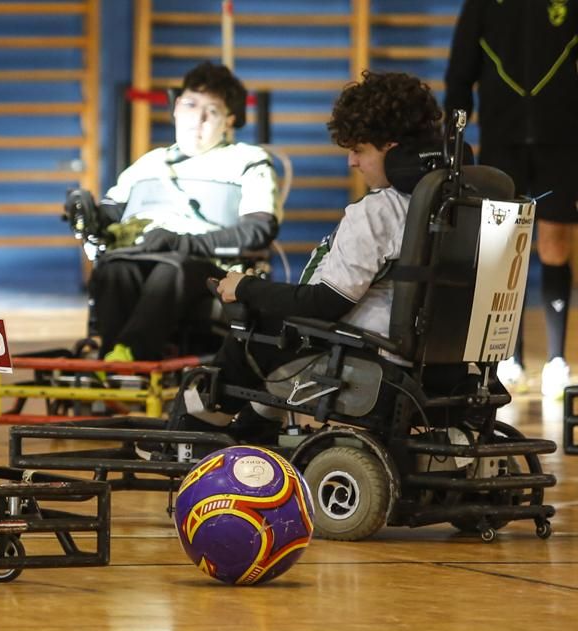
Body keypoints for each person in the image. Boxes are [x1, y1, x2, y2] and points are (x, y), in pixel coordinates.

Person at [172, 71, 442, 443]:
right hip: (437, 367)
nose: (352, 162)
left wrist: (246, 288)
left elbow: (324, 303)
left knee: (255, 331)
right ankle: (253, 427)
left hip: (370, 361)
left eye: (359, 150)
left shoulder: (379, 211)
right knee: (276, 331)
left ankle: (189, 435)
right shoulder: (460, 204)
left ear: (394, 150)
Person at [89, 61, 280, 363]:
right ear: (177, 107)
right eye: (191, 105)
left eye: (212, 111)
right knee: (115, 268)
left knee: (174, 268)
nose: (198, 119)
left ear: (229, 120)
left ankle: (130, 359)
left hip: (208, 266)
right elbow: (110, 212)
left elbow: (259, 230)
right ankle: (112, 360)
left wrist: (182, 243)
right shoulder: (150, 163)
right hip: (142, 256)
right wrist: (88, 214)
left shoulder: (248, 160)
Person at [445, 0, 578, 398]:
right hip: (502, 142)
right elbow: (460, 70)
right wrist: (453, 139)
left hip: (561, 143)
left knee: (556, 243)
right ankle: (509, 356)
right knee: (505, 251)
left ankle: (557, 359)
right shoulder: (483, 5)